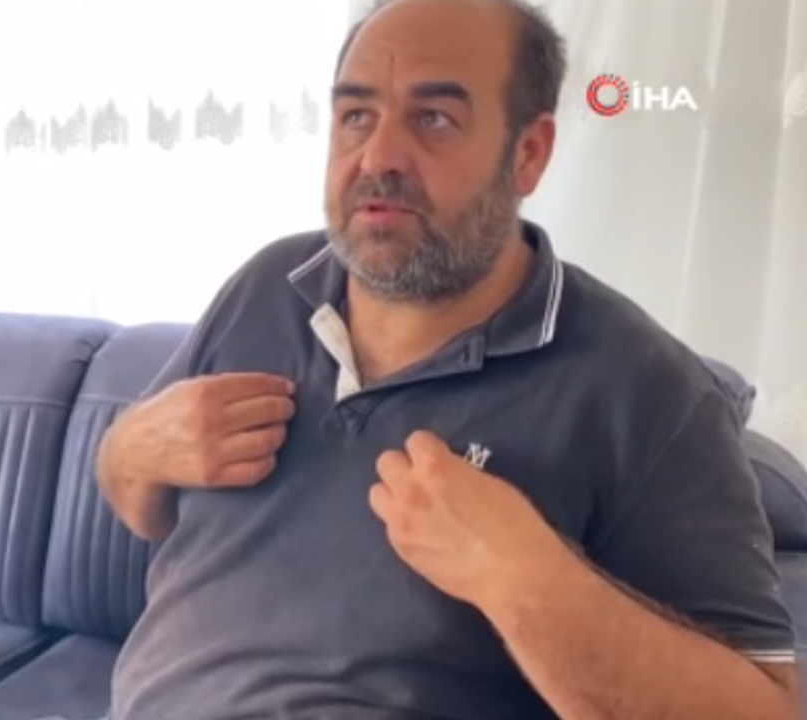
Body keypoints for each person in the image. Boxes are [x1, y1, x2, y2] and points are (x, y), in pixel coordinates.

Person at [96, 1, 804, 719]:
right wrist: (129, 450)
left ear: (529, 153)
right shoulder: (267, 287)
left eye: (433, 118)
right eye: (356, 116)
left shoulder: (648, 394)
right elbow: (138, 503)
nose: (379, 158)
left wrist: (527, 582)